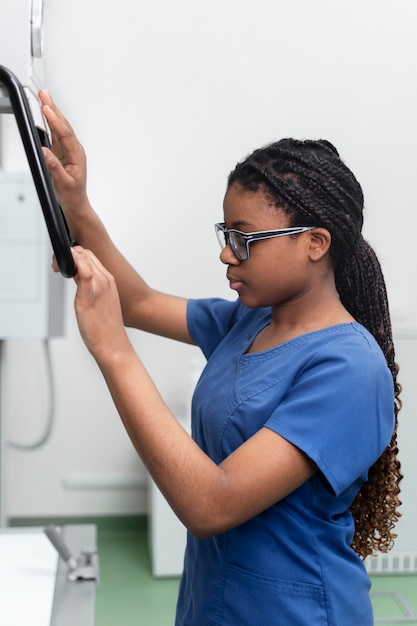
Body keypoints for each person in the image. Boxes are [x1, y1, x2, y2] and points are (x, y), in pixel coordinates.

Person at [39, 90, 402, 626]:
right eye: (226, 234)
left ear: (316, 243)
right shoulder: (250, 319)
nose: (227, 254)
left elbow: (213, 504)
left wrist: (114, 351)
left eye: (246, 239)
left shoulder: (350, 369)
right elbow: (137, 302)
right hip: (214, 605)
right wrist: (77, 203)